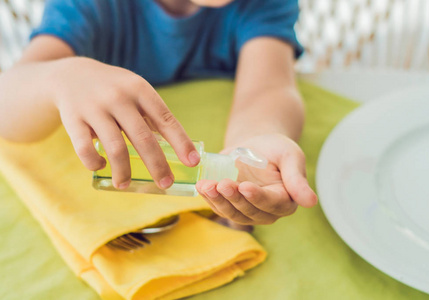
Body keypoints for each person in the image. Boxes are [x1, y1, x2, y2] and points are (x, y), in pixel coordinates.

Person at [0, 0, 317, 227]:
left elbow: (268, 87)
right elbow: (7, 100)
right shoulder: (88, 6)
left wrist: (254, 142)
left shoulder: (264, 4)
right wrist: (61, 77)